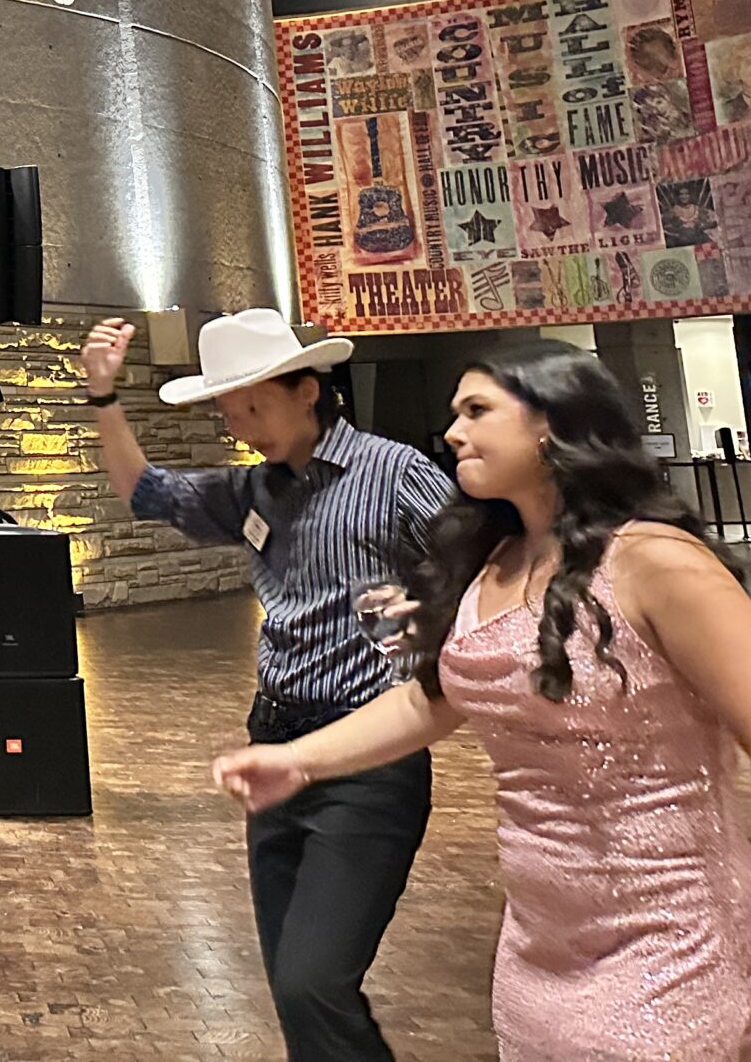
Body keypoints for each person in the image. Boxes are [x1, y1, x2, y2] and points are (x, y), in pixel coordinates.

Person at [217, 346, 751, 1061]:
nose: (453, 433)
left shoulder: (655, 561)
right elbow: (432, 701)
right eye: (454, 415)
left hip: (669, 939)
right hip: (539, 947)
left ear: (550, 424)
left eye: (477, 411)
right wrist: (298, 761)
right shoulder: (493, 564)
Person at [86, 308, 449, 1062]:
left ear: (307, 389)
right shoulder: (253, 490)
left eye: (254, 407)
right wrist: (103, 396)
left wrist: (427, 615)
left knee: (315, 981)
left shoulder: (394, 472)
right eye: (230, 413)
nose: (242, 427)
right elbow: (144, 492)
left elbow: (479, 563)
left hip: (368, 758)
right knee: (291, 983)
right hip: (273, 748)